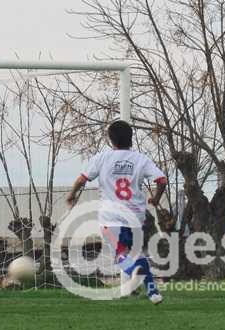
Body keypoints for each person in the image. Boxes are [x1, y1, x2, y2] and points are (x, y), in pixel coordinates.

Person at [66, 120, 167, 304]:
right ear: (131, 138)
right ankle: (153, 291)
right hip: (135, 217)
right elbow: (161, 180)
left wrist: (72, 195)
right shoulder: (141, 159)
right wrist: (156, 198)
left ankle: (135, 272)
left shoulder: (102, 158)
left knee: (122, 256)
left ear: (110, 139)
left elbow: (82, 179)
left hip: (111, 218)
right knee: (136, 255)